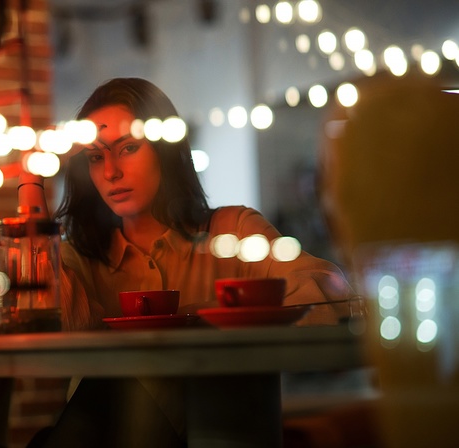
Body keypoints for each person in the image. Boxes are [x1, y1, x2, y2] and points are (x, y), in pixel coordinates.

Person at [26, 77, 356, 447]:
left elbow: (328, 290)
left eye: (129, 147)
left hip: (224, 431)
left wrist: (218, 321)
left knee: (150, 371)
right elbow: (45, 318)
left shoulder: (230, 232)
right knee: (129, 373)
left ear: (166, 152)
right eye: (96, 157)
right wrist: (31, 196)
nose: (111, 172)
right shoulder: (81, 259)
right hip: (103, 430)